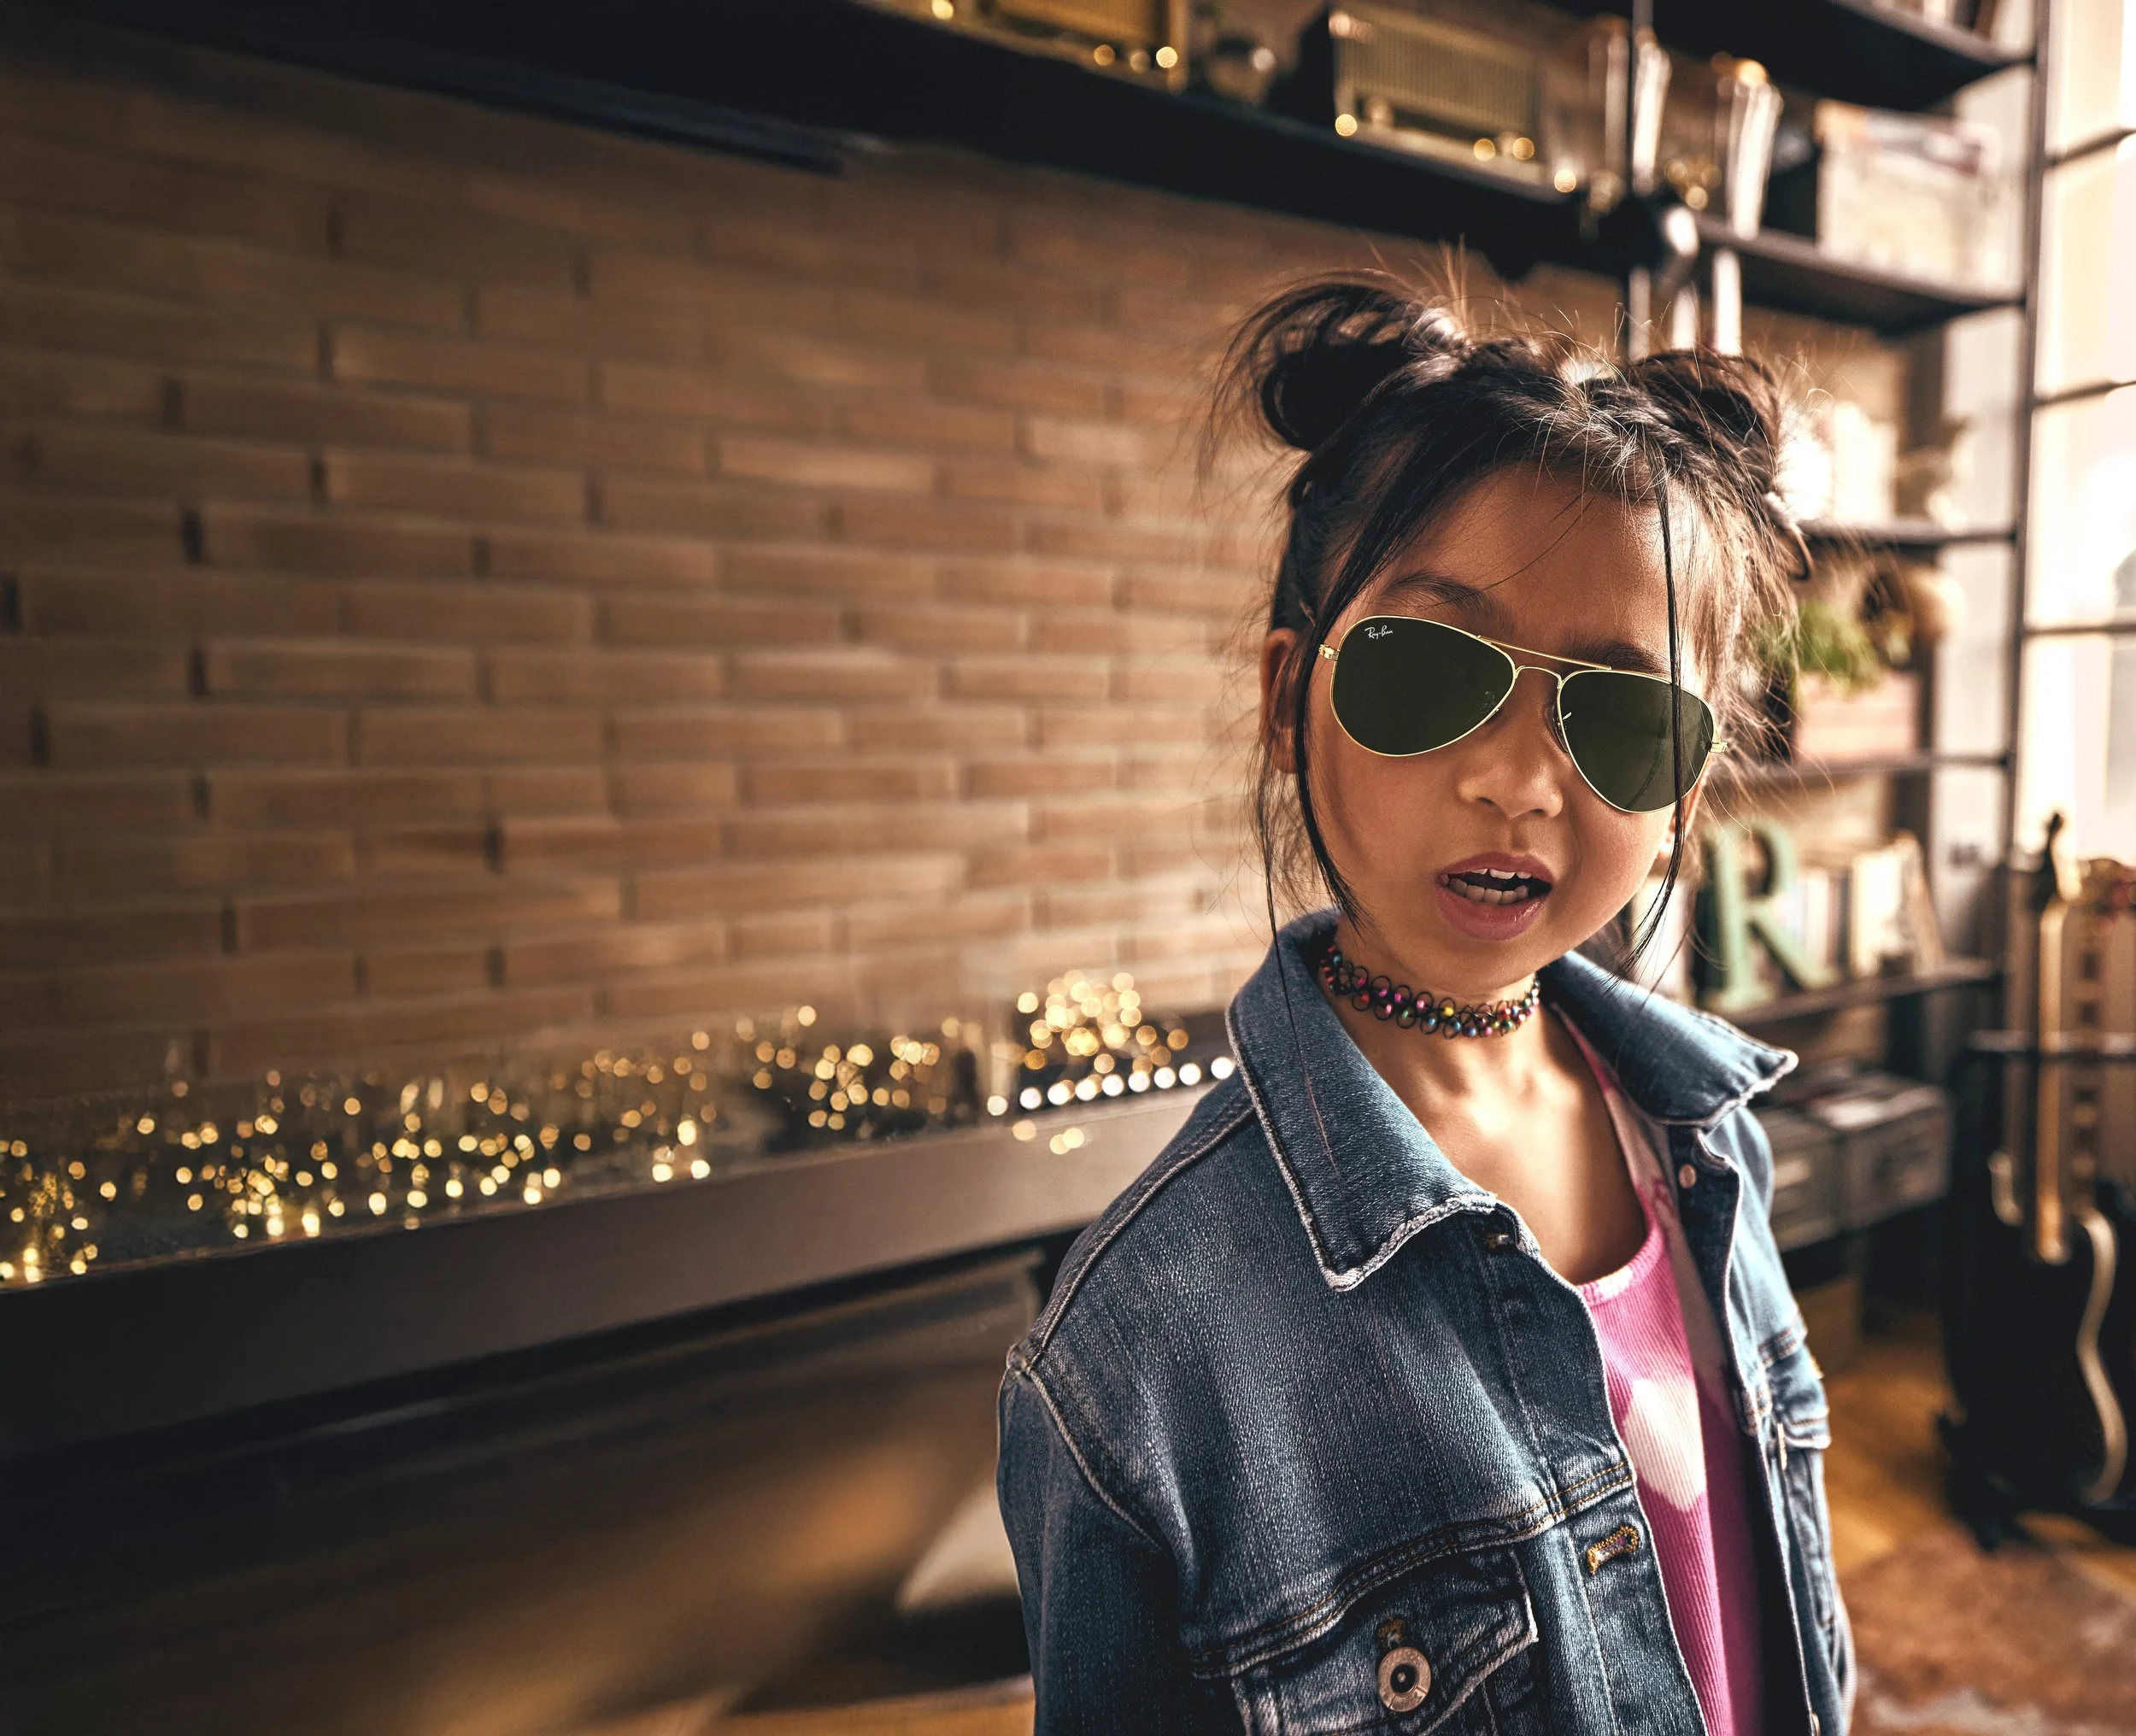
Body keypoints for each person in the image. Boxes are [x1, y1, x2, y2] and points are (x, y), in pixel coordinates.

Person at [996, 279, 1853, 1735]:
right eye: (1431, 673)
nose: (1517, 781)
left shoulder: (1709, 1144)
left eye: (1621, 715)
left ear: (1687, 791)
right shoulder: (1136, 1359)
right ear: (1288, 702)